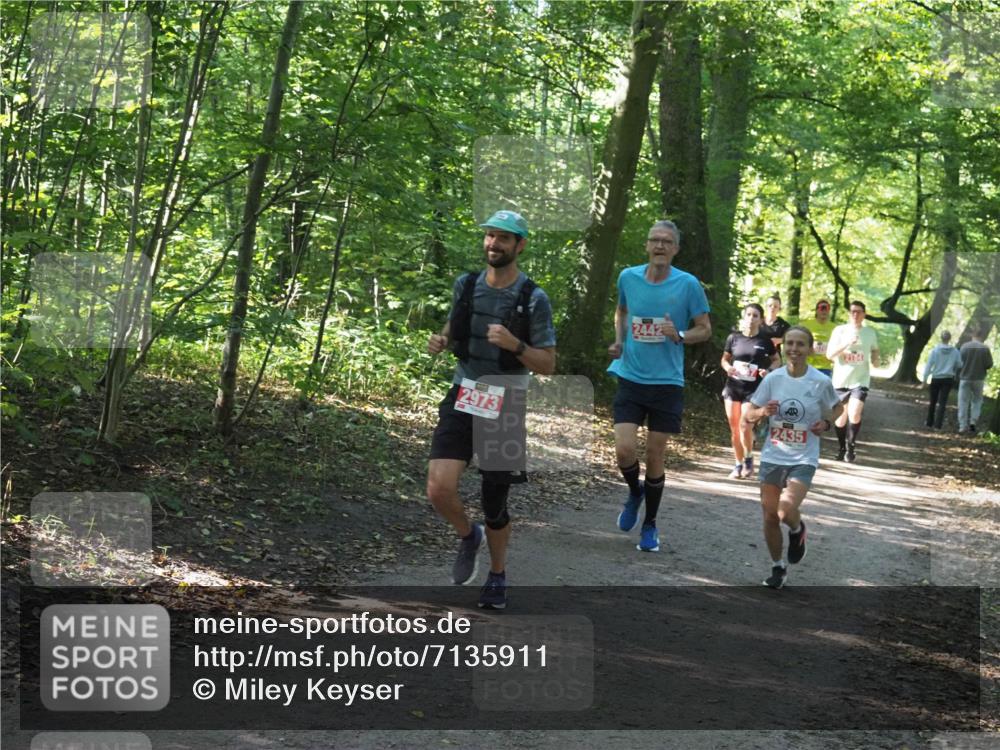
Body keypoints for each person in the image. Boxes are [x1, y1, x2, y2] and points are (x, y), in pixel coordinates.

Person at [426, 210, 556, 609]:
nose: (493, 244)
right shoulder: (466, 285)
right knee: (439, 488)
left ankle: (497, 574)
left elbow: (548, 364)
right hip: (464, 391)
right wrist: (443, 340)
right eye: (489, 236)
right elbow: (455, 325)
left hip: (506, 400)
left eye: (503, 238)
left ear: (520, 245)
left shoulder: (533, 298)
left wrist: (515, 345)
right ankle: (470, 536)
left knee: (494, 501)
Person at [608, 219, 712, 553]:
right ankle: (635, 492)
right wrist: (619, 341)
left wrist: (679, 335)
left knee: (655, 453)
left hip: (667, 382)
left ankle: (650, 524)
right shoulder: (629, 277)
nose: (660, 246)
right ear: (646, 245)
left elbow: (705, 329)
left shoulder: (688, 285)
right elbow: (621, 311)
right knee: (624, 450)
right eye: (654, 240)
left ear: (676, 248)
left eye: (667, 241)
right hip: (631, 375)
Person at [743, 326, 845, 589]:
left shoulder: (819, 382)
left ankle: (798, 530)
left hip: (804, 457)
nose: (794, 349)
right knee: (769, 516)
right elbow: (749, 415)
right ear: (782, 347)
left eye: (800, 344)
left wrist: (826, 423)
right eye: (789, 343)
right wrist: (763, 411)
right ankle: (778, 567)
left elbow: (837, 407)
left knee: (784, 509)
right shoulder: (773, 379)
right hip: (773, 455)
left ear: (810, 349)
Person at [720, 303, 780, 479]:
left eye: (755, 316)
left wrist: (768, 371)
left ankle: (748, 459)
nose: (751, 318)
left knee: (745, 424)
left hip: (753, 390)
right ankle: (738, 464)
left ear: (761, 320)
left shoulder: (765, 340)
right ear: (743, 317)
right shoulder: (734, 338)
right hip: (733, 387)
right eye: (749, 315)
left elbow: (777, 360)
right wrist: (728, 368)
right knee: (734, 427)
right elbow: (724, 359)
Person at [826, 300, 880, 463]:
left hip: (860, 380)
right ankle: (842, 447)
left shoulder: (870, 333)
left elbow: (875, 349)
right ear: (849, 314)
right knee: (840, 419)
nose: (855, 314)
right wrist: (846, 344)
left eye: (859, 311)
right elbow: (829, 354)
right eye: (852, 312)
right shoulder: (839, 331)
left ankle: (851, 446)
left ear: (864, 314)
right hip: (841, 381)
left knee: (854, 413)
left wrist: (876, 360)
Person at [957, 329, 994, 434]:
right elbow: (989, 364)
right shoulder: (985, 348)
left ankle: (962, 426)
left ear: (972, 335)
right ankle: (973, 422)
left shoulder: (964, 347)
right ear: (981, 336)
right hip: (979, 378)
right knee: (977, 401)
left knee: (963, 402)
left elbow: (959, 363)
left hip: (965, 378)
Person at [922, 330, 962, 429]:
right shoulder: (955, 351)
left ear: (941, 338)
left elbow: (929, 365)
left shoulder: (935, 350)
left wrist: (925, 379)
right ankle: (938, 425)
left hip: (936, 378)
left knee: (933, 401)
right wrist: (952, 366)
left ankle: (929, 422)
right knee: (942, 402)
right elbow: (960, 364)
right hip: (948, 379)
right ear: (949, 339)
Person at [801, 299, 837, 376]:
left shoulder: (835, 328)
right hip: (808, 365)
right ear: (817, 310)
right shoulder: (806, 325)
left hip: (826, 366)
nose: (824, 311)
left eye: (826, 308)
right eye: (821, 308)